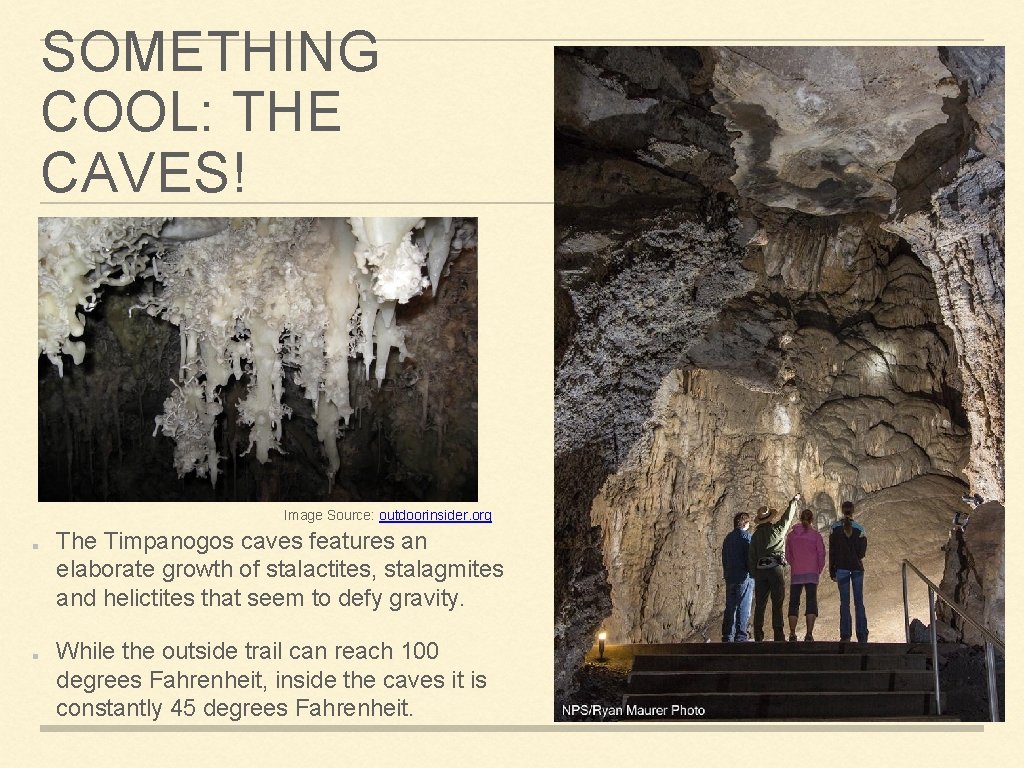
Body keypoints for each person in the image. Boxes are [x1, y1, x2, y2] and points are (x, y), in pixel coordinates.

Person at [748, 493, 801, 642]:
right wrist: (793, 502)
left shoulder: (755, 536)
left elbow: (751, 556)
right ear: (770, 518)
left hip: (760, 572)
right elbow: (787, 518)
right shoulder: (777, 530)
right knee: (777, 603)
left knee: (760, 605)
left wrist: (754, 573)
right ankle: (778, 634)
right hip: (775, 568)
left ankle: (758, 634)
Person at [829, 500, 868, 643]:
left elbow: (832, 552)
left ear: (841, 510)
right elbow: (862, 553)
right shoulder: (860, 529)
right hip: (857, 568)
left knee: (844, 602)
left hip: (841, 569)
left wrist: (832, 571)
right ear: (853, 511)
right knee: (859, 602)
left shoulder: (834, 528)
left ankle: (846, 635)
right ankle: (862, 634)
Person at [785, 508, 825, 641]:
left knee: (794, 602)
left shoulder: (791, 536)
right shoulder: (815, 535)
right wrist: (818, 568)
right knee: (811, 602)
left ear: (801, 518)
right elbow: (821, 554)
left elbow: (787, 555)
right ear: (811, 519)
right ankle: (809, 634)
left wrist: (795, 564)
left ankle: (792, 633)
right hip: (811, 573)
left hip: (796, 573)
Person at [721, 512, 754, 642]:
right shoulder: (747, 537)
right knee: (743, 606)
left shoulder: (728, 538)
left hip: (730, 576)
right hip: (744, 576)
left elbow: (724, 558)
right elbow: (750, 557)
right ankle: (740, 636)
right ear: (745, 523)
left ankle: (727, 635)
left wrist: (726, 572)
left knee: (730, 607)